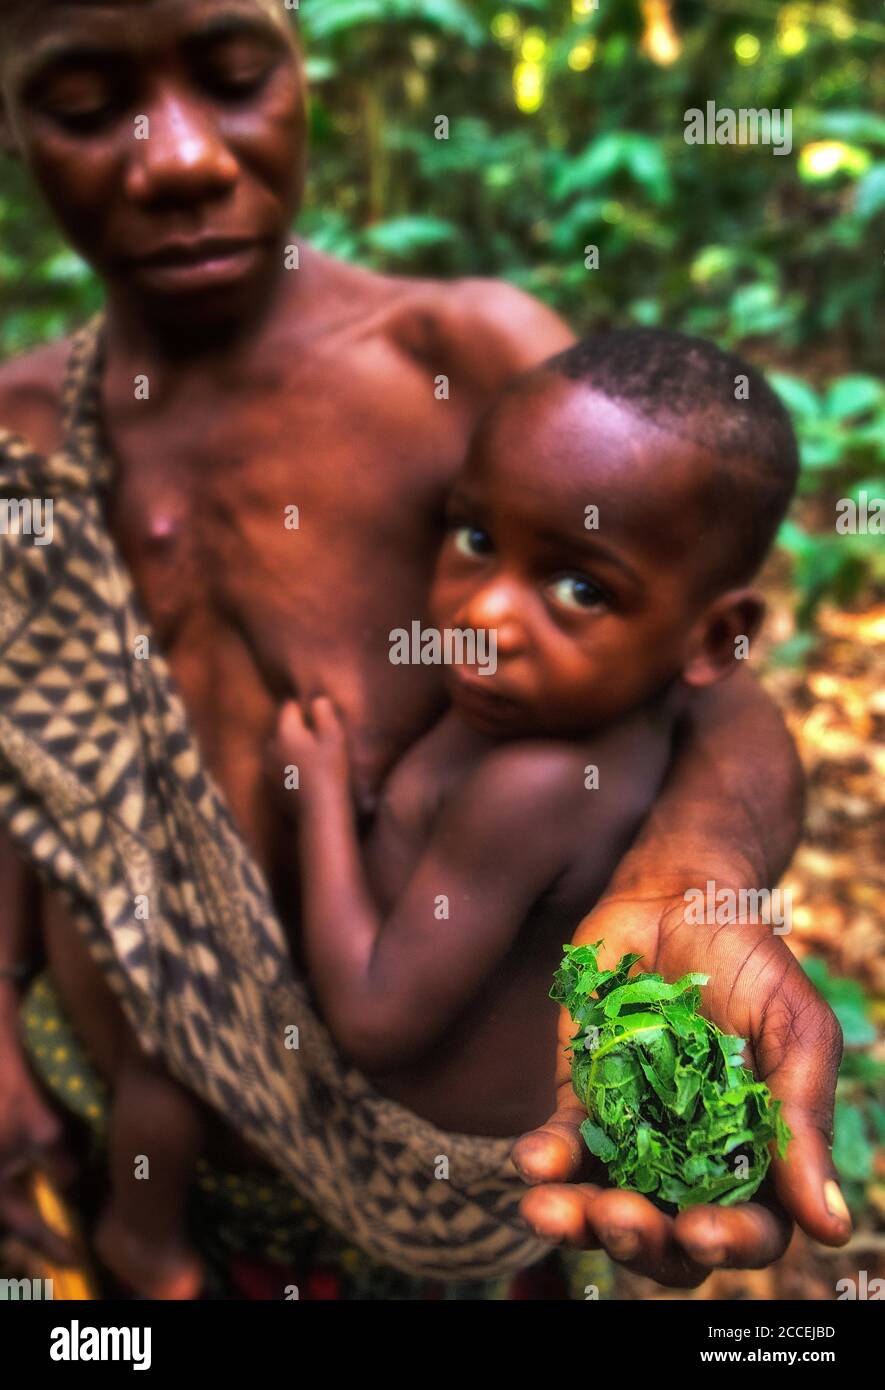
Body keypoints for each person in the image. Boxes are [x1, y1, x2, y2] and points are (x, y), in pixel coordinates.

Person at [0, 0, 846, 1296]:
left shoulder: (460, 362)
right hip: (116, 1150)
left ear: (300, 74)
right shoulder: (20, 437)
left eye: (233, 78)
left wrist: (693, 872)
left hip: (433, 1215)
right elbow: (24, 765)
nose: (176, 157)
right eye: (81, 103)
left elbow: (707, 694)